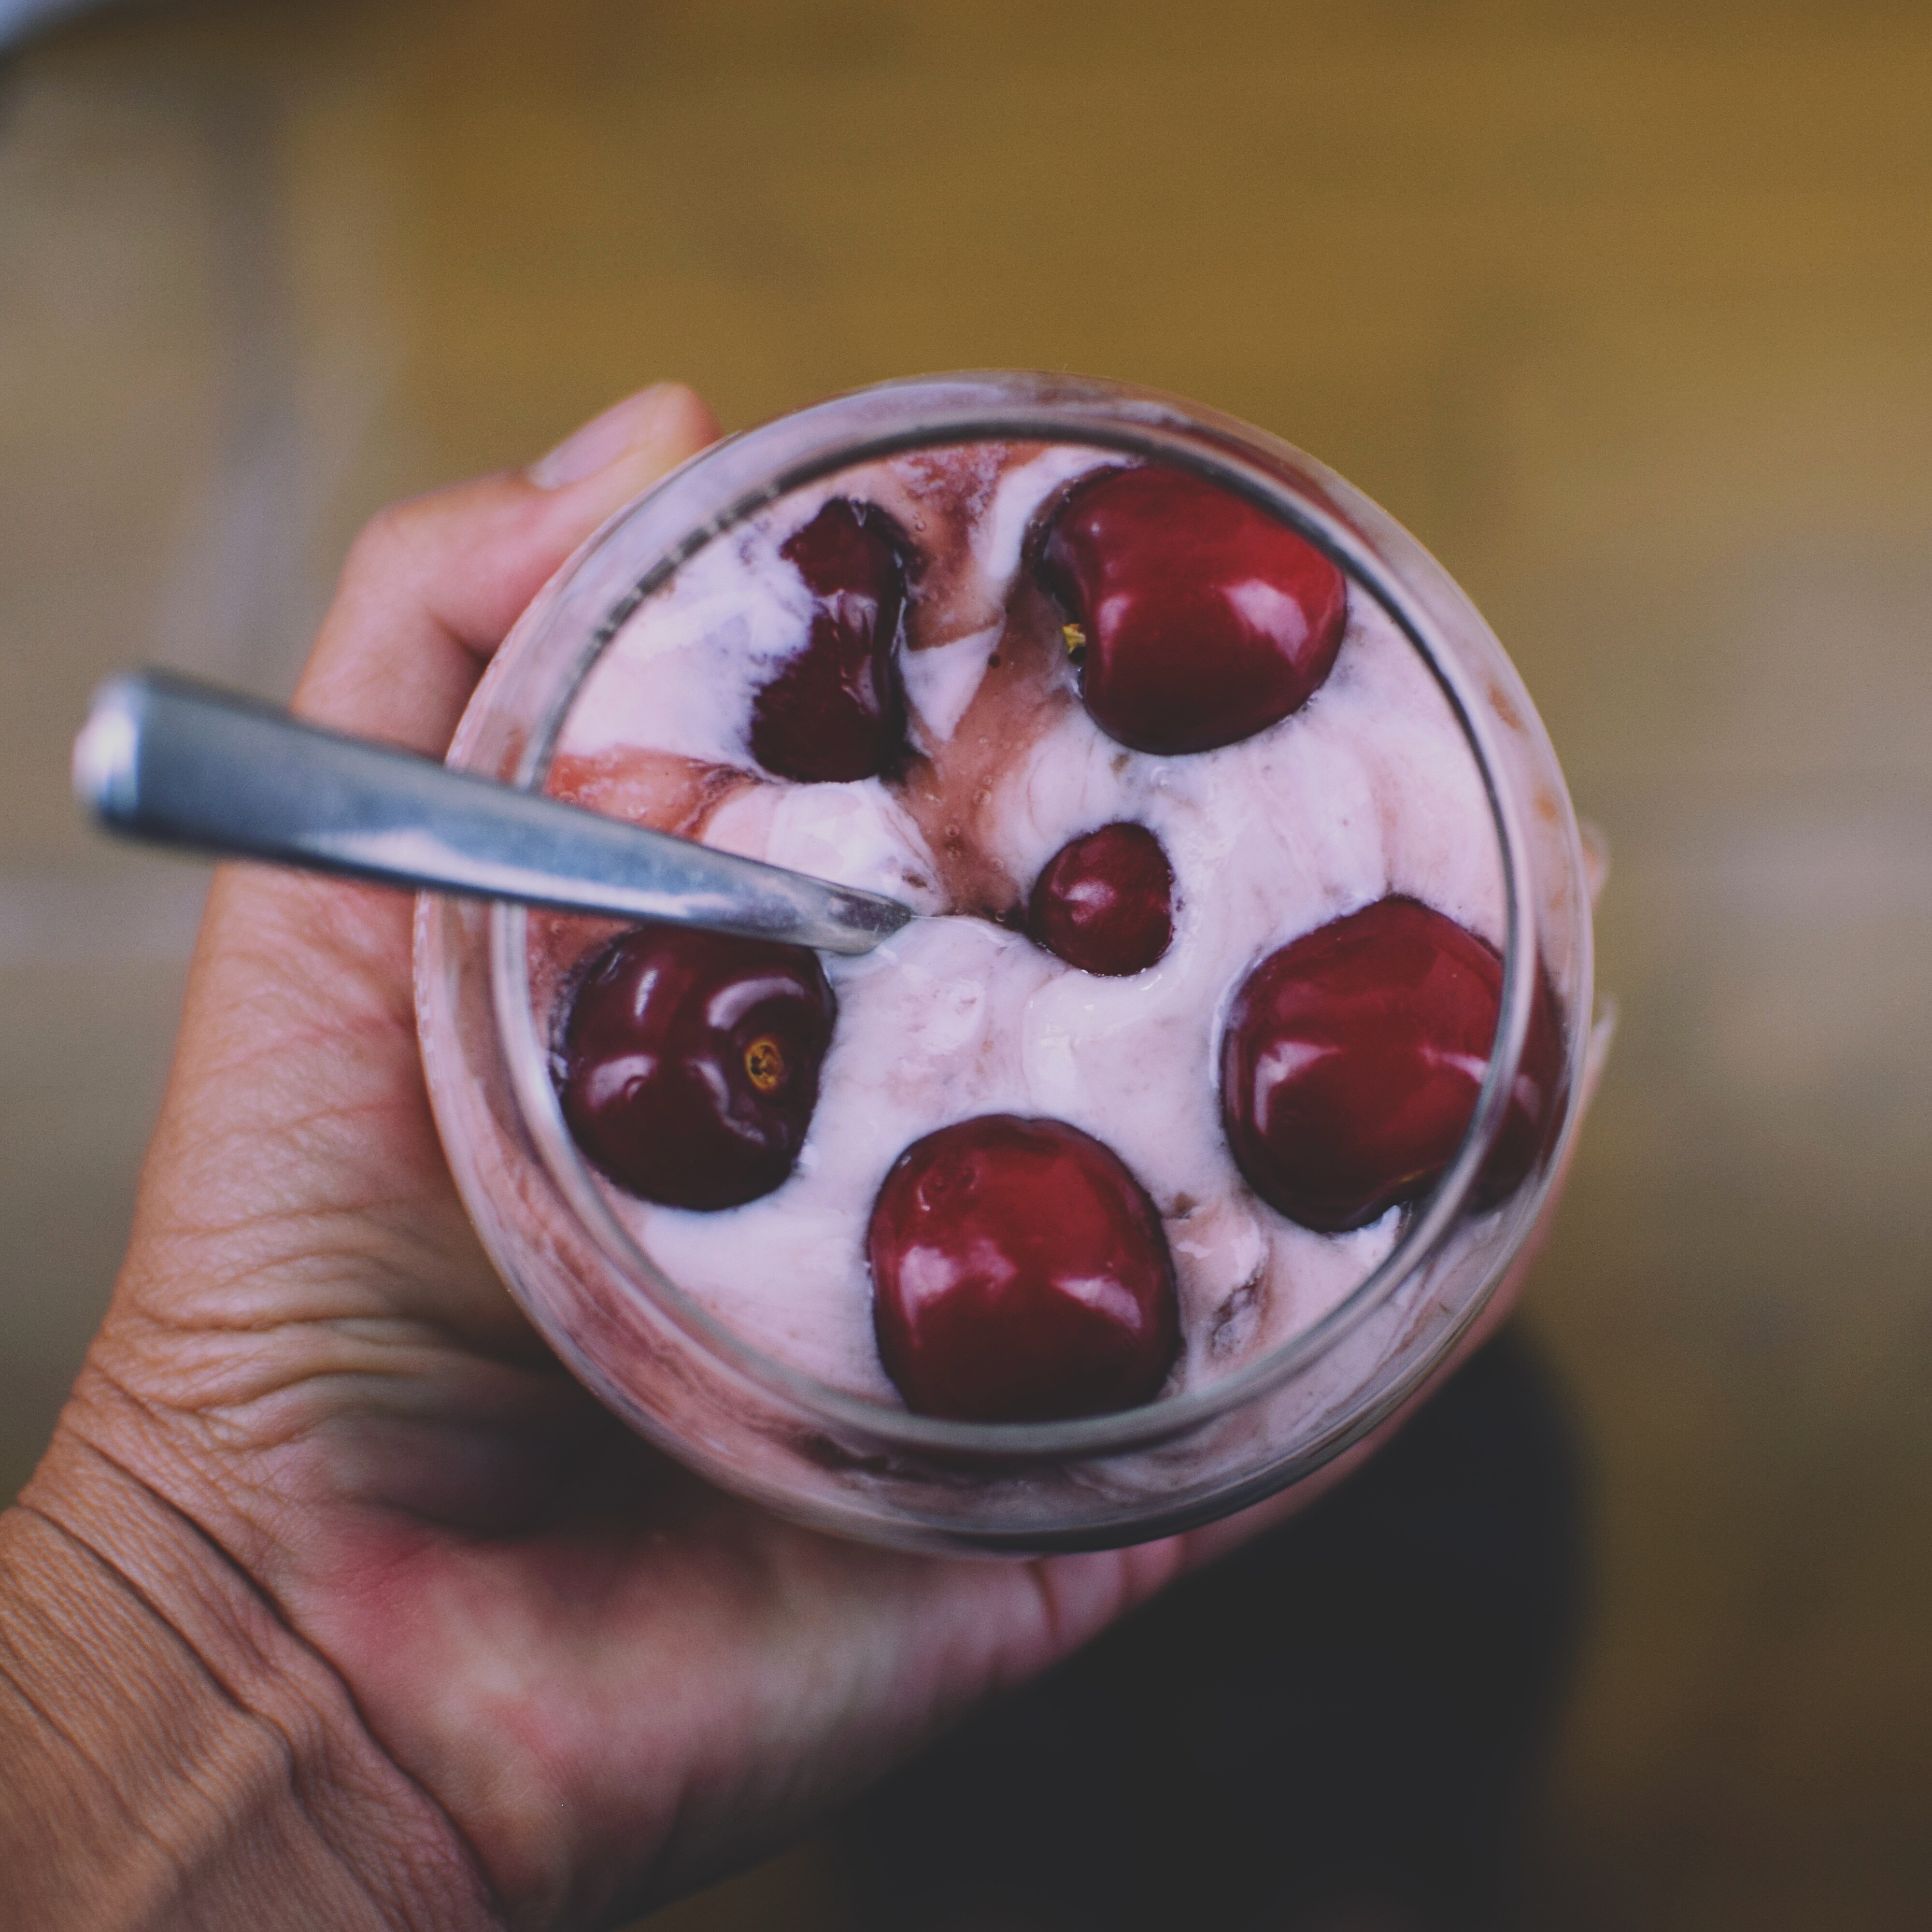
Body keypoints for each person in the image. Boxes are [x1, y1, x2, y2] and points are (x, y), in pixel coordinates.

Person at [0, 384, 1584, 1931]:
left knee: (1000, 1849)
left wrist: (235, 1635)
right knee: (1364, 1823)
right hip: (895, 1358)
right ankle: (1354, 1848)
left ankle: (999, 1866)